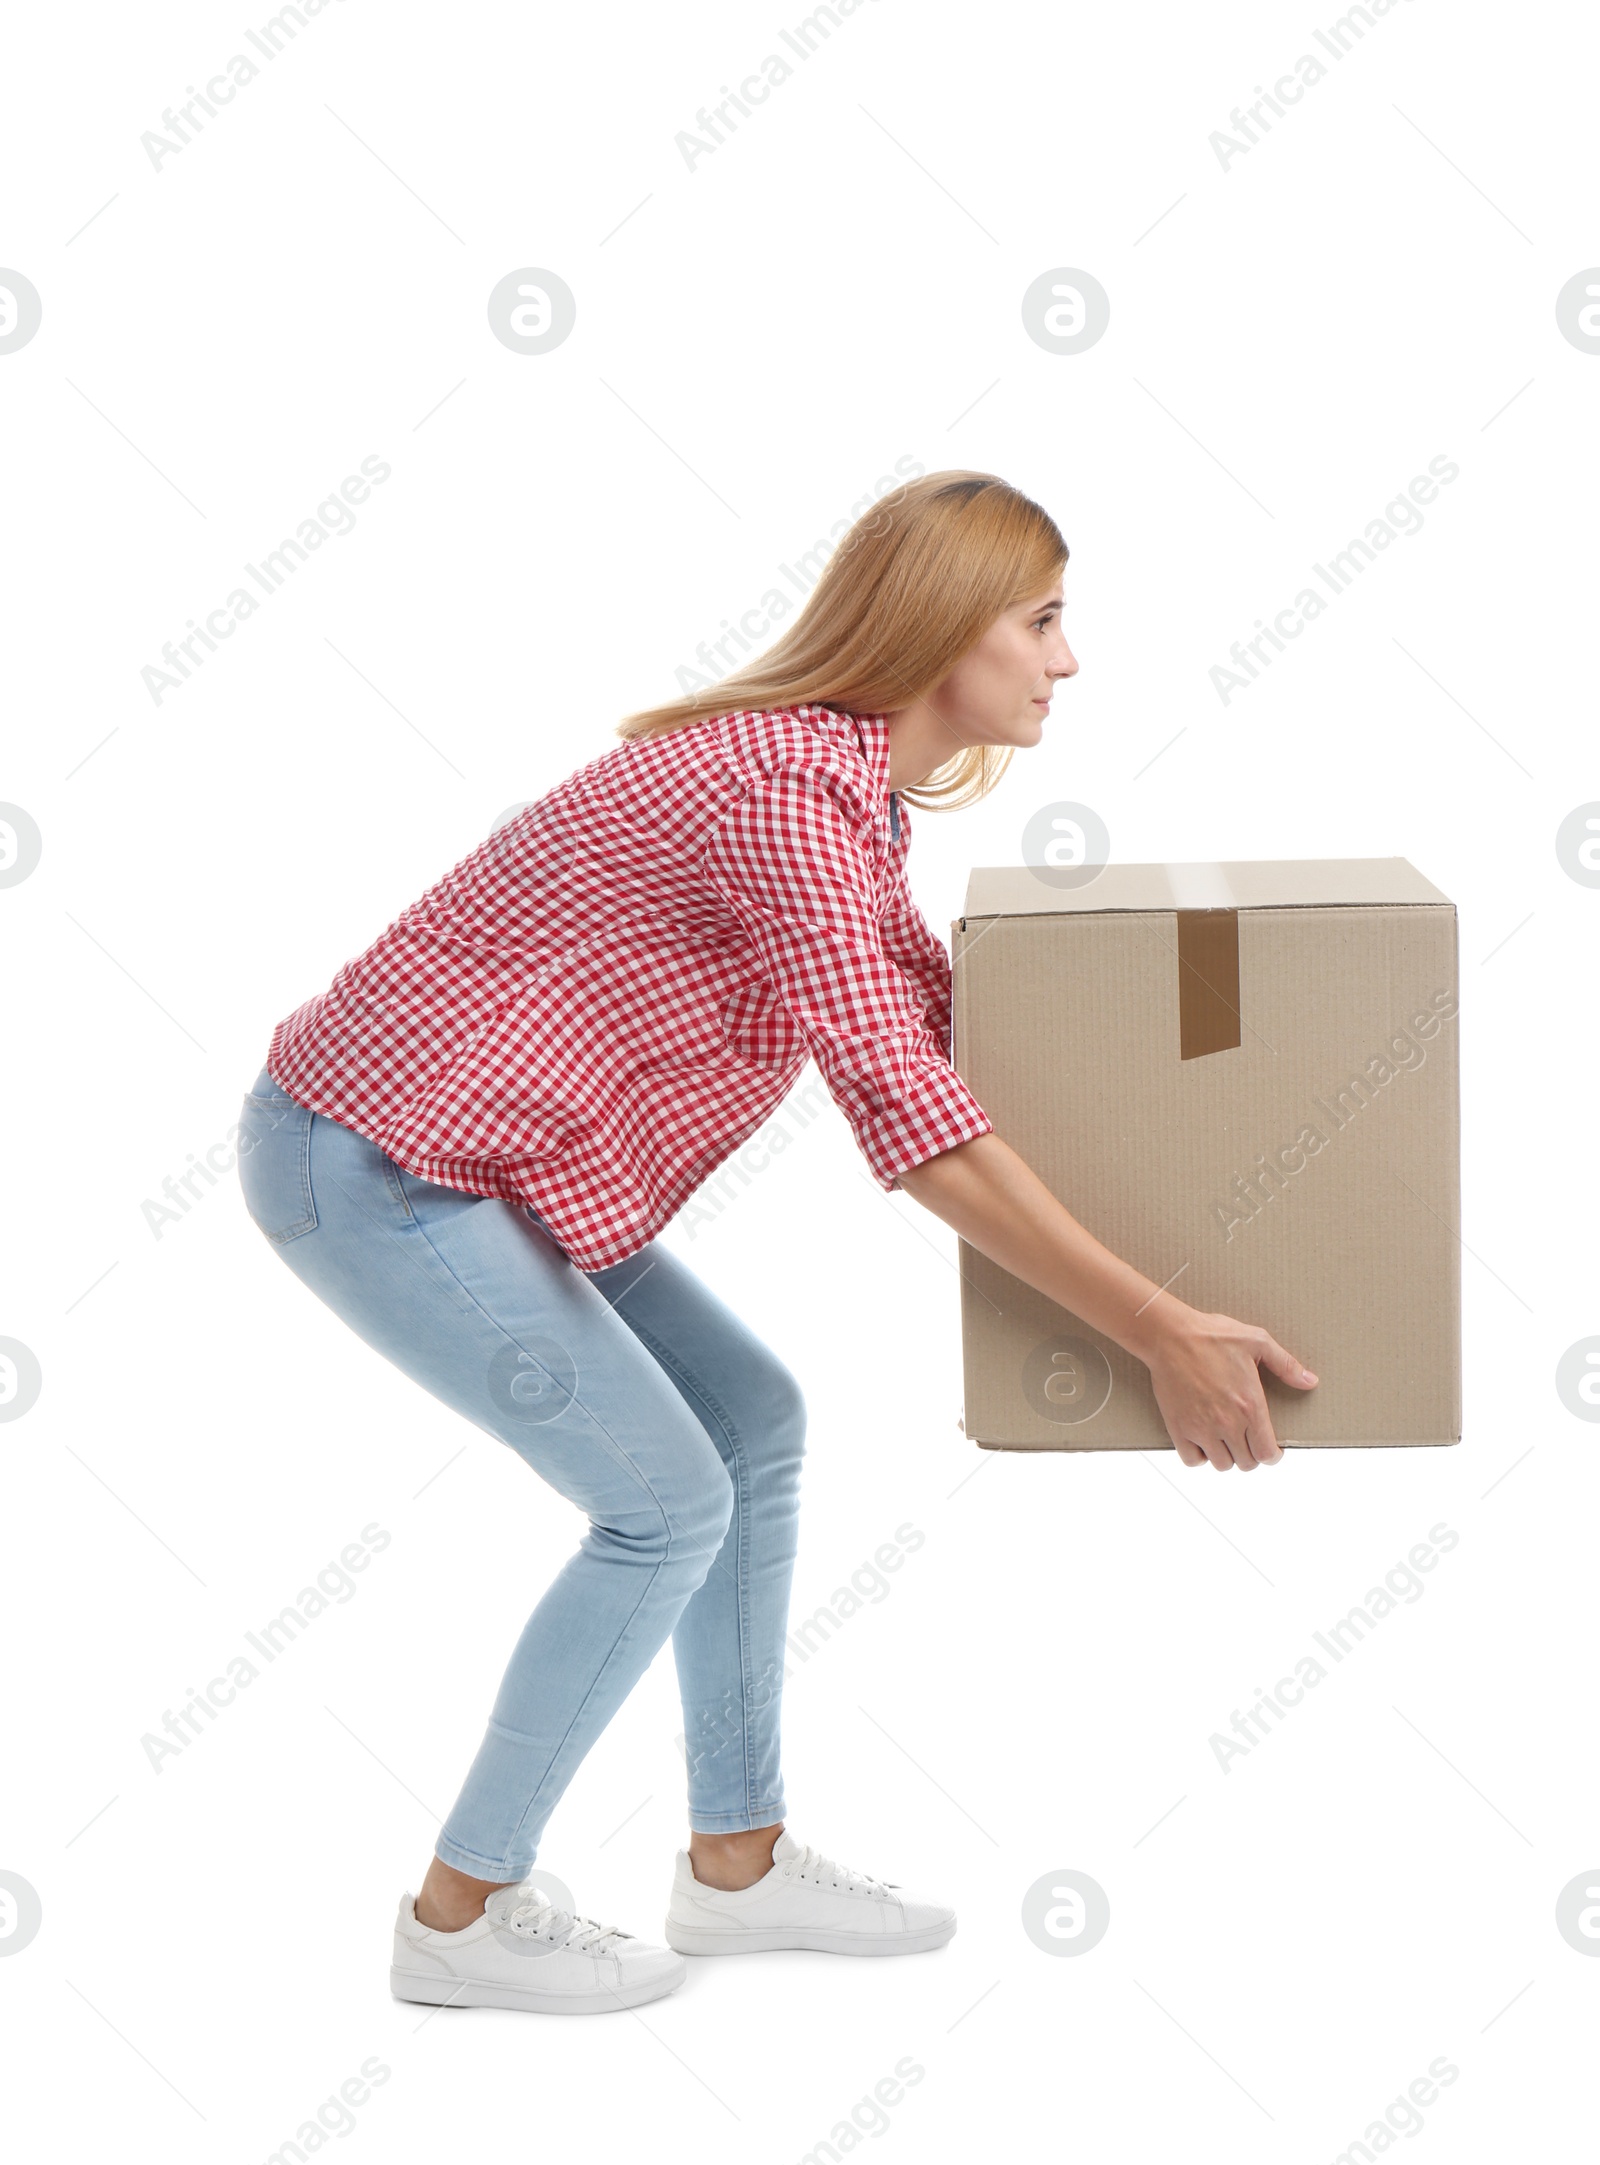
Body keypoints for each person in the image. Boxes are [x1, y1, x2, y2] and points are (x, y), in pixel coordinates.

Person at [236, 468, 1317, 2015]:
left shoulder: (842, 791)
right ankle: (461, 1910)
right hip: (379, 1162)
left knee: (753, 1424)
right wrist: (1157, 1325)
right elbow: (909, 1115)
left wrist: (1208, 1047)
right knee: (663, 1501)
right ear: (948, 628)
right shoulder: (782, 796)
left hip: (497, 1157)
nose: (1068, 659)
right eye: (1045, 619)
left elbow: (939, 1030)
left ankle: (733, 1864)